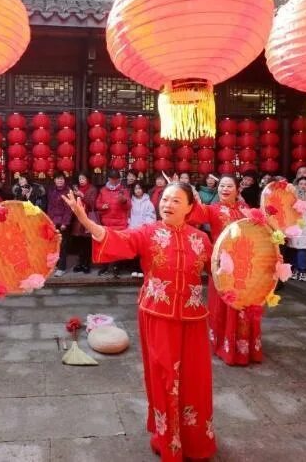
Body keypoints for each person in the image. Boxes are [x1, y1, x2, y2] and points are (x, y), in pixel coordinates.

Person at [64, 182, 217, 461]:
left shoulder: (202, 240)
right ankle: (168, 440)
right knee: (165, 377)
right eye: (165, 199)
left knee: (195, 379)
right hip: (158, 316)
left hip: (194, 317)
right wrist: (85, 219)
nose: (167, 204)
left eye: (175, 200)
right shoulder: (148, 233)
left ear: (190, 208)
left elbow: (222, 270)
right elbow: (115, 239)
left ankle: (196, 443)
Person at [187, 175, 259, 366]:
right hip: (221, 264)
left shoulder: (247, 211)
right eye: (222, 186)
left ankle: (242, 347)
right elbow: (195, 214)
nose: (224, 189)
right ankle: (222, 345)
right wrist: (191, 196)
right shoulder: (213, 209)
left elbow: (259, 234)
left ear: (238, 190)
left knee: (243, 305)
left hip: (245, 265)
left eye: (229, 186)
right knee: (221, 304)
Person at [96, 170, 131, 277]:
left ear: (119, 180)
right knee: (105, 245)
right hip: (106, 222)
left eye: (116, 179)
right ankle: (105, 267)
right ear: (109, 179)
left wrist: (124, 201)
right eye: (112, 179)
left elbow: (129, 206)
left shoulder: (124, 190)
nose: (114, 181)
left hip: (120, 223)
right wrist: (102, 206)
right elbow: (97, 204)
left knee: (117, 246)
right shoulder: (103, 190)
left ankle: (116, 268)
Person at [69, 172, 98, 274]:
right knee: (79, 242)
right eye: (80, 179)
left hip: (87, 218)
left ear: (87, 179)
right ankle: (80, 263)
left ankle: (87, 264)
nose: (81, 180)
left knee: (87, 243)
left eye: (83, 179)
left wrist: (83, 195)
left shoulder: (92, 189)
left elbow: (93, 204)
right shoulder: (76, 189)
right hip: (78, 219)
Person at [128, 182, 156, 278]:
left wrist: (146, 226)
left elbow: (151, 215)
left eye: (139, 188)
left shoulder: (148, 202)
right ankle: (133, 269)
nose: (138, 190)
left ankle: (141, 269)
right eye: (136, 189)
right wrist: (130, 226)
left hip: (144, 230)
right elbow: (128, 215)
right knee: (133, 250)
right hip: (133, 228)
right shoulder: (130, 201)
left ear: (143, 189)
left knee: (143, 251)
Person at [47, 172, 73, 276]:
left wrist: (65, 223)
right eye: (58, 179)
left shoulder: (68, 191)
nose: (59, 181)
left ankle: (62, 268)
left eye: (61, 179)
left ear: (64, 180)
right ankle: (56, 265)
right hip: (52, 221)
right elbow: (50, 206)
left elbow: (69, 209)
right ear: (54, 180)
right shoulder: (51, 191)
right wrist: (48, 220)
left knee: (62, 245)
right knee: (53, 245)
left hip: (62, 222)